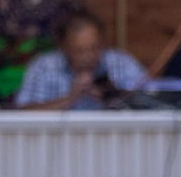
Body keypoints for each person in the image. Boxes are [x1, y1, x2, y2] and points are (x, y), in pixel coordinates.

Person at [14, 10, 153, 111]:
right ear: (63, 47)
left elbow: (153, 104)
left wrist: (112, 97)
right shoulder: (44, 66)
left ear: (103, 42)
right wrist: (70, 98)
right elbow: (23, 112)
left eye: (95, 48)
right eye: (79, 51)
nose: (88, 56)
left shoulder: (122, 63)